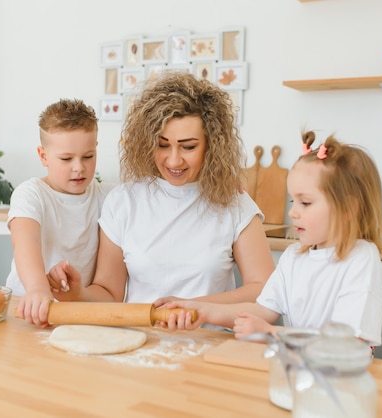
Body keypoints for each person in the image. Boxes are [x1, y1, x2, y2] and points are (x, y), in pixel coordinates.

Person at [47, 71, 275, 323]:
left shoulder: (234, 203)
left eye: (188, 147)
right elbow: (109, 293)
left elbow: (264, 287)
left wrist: (194, 307)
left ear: (212, 145)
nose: (174, 160)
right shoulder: (124, 201)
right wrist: (77, 293)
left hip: (210, 343)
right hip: (140, 343)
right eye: (163, 145)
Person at [166, 132, 382, 346]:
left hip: (342, 379)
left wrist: (272, 333)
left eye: (306, 203)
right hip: (299, 368)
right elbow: (262, 310)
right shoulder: (293, 257)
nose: (292, 212)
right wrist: (201, 310)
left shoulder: (361, 259)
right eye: (293, 202)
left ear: (348, 208)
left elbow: (348, 342)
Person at [8, 98, 115, 327]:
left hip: (75, 315)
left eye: (88, 156)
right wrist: (38, 289)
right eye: (66, 159)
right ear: (43, 156)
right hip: (26, 309)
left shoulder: (108, 197)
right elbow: (25, 242)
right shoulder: (31, 193)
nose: (79, 167)